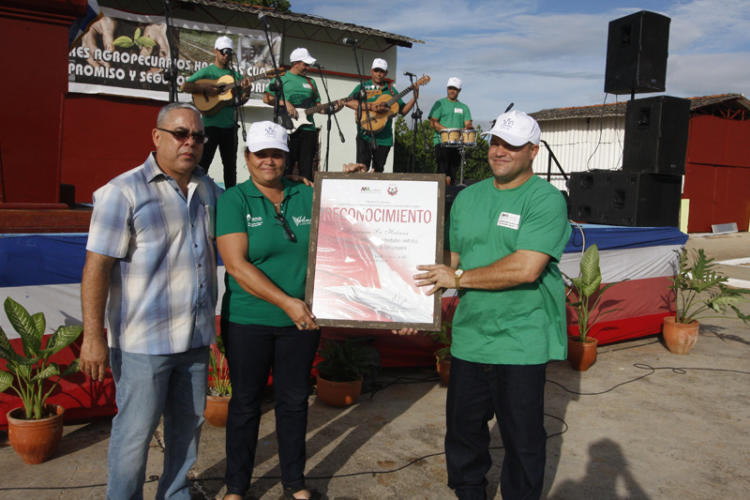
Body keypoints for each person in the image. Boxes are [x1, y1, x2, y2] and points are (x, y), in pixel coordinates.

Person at [414, 110, 571, 500]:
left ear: (533, 151)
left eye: (512, 146)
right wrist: (410, 303)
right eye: (496, 142)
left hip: (520, 340)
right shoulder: (467, 197)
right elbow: (450, 260)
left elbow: (526, 267)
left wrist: (461, 279)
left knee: (523, 439)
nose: (500, 152)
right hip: (471, 337)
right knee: (464, 434)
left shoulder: (546, 199)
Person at [79, 102, 222, 500]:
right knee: (134, 436)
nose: (190, 143)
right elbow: (96, 268)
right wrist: (93, 335)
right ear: (157, 137)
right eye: (180, 134)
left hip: (193, 339)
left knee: (187, 429)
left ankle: (174, 493)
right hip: (143, 344)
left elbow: (250, 205)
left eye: (197, 136)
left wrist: (310, 187)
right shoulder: (121, 192)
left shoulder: (207, 188)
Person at [216, 121, 320, 500]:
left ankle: (294, 481)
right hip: (249, 319)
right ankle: (237, 487)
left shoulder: (307, 194)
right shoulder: (234, 200)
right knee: (245, 403)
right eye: (260, 154)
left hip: (303, 320)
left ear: (286, 157)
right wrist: (287, 303)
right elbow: (237, 266)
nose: (268, 161)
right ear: (247, 157)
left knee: (294, 402)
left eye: (275, 153)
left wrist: (347, 181)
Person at [182, 35, 251, 188]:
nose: (226, 55)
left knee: (230, 167)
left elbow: (240, 102)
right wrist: (204, 88)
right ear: (215, 51)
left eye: (229, 52)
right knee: (203, 164)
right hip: (209, 126)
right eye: (223, 52)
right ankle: (195, 193)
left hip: (229, 127)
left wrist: (247, 91)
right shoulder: (207, 72)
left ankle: (231, 199)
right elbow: (185, 86)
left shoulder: (235, 76)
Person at [263, 47, 338, 181]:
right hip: (288, 128)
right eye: (305, 64)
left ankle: (306, 197)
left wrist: (334, 108)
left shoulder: (311, 82)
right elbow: (267, 98)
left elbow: (318, 107)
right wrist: (284, 102)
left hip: (308, 129)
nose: (308, 67)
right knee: (286, 166)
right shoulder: (282, 78)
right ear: (295, 63)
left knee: (307, 168)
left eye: (308, 64)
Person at [346, 58, 419, 172]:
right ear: (371, 71)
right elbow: (348, 102)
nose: (379, 74)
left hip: (384, 138)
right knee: (361, 168)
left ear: (386, 73)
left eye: (382, 71)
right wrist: (371, 107)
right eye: (376, 70)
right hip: (364, 134)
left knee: (378, 170)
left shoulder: (391, 91)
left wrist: (415, 97)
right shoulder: (363, 87)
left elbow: (403, 111)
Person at [429, 77, 473, 185]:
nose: (452, 91)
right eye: (450, 88)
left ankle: (450, 197)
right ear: (447, 88)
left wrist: (468, 127)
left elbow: (468, 123)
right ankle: (439, 197)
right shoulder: (440, 103)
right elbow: (433, 122)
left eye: (455, 89)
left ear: (459, 91)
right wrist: (448, 132)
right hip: (441, 142)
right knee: (442, 172)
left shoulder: (464, 107)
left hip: (458, 144)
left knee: (453, 173)